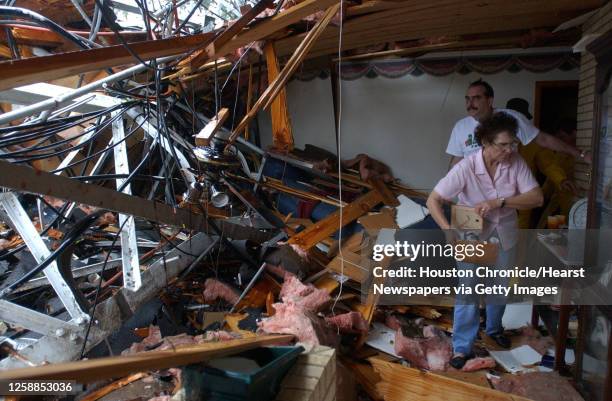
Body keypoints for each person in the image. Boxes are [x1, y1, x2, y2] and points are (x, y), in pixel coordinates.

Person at [427, 112, 544, 368]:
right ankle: (461, 347)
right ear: (486, 143)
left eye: (513, 143)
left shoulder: (516, 162)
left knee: (499, 286)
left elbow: (536, 198)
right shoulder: (466, 167)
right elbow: (433, 200)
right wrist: (448, 229)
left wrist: (500, 202)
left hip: (505, 233)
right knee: (468, 288)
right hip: (471, 234)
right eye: (504, 145)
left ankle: (493, 329)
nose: (510, 149)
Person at [446, 80, 591, 169]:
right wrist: (447, 189)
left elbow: (543, 139)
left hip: (504, 194)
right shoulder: (460, 126)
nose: (470, 103)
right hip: (471, 198)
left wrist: (581, 154)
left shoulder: (511, 118)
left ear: (489, 101)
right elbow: (456, 161)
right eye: (467, 99)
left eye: (476, 98)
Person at [504, 98, 577, 228]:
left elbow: (548, 164)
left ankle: (520, 249)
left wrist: (561, 179)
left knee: (521, 229)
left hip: (524, 194)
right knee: (497, 228)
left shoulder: (533, 140)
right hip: (499, 192)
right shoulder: (492, 136)